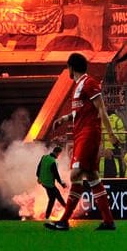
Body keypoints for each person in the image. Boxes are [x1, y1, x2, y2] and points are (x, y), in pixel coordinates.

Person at [45, 53, 118, 231]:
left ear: (71, 67)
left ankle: (64, 220)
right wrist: (64, 119)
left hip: (89, 134)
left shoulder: (89, 83)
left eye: (67, 67)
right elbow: (81, 112)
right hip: (81, 134)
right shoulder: (78, 86)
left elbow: (101, 110)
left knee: (76, 174)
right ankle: (108, 222)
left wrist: (111, 134)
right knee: (92, 176)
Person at [36, 146, 67, 222]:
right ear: (57, 153)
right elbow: (56, 175)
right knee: (59, 197)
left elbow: (38, 168)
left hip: (44, 182)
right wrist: (62, 184)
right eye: (59, 154)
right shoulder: (53, 162)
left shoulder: (44, 157)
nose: (59, 156)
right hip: (49, 184)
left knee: (52, 199)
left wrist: (39, 177)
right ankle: (67, 213)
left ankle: (47, 218)